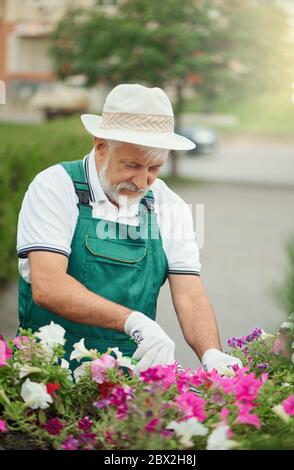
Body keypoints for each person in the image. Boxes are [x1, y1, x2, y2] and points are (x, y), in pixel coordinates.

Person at [16, 83, 242, 375]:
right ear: (100, 146)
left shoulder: (169, 206)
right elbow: (49, 287)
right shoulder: (55, 187)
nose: (142, 181)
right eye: (132, 165)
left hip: (128, 380)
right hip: (47, 374)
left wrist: (212, 352)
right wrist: (133, 321)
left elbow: (190, 295)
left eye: (154, 168)